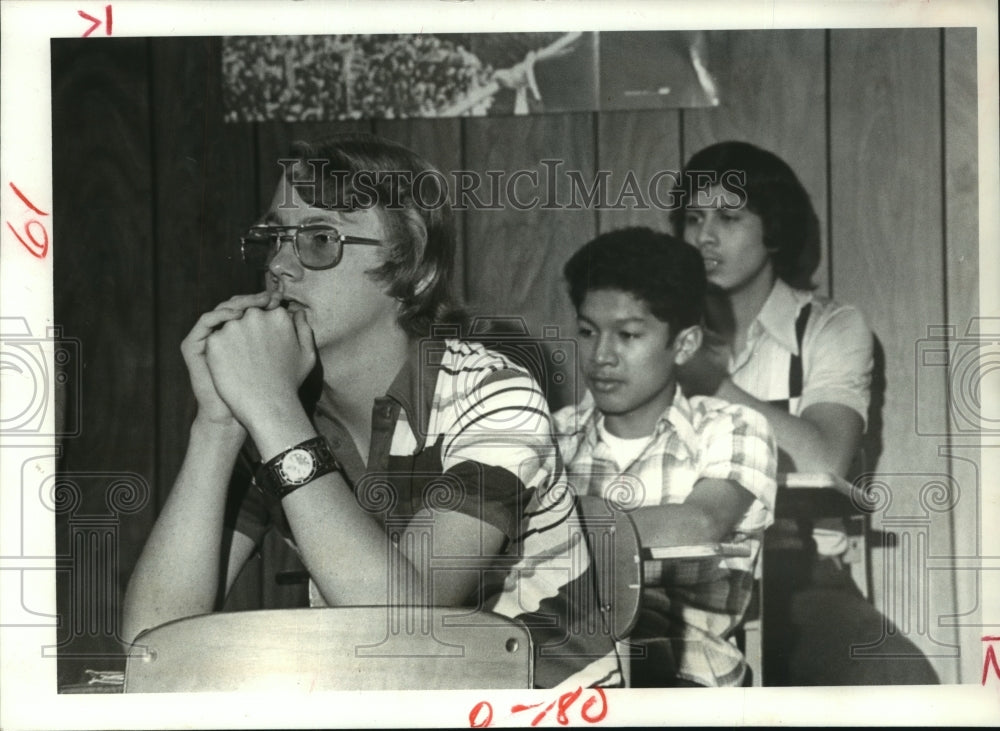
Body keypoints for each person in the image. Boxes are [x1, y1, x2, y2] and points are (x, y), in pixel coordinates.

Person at [122, 133, 621, 689]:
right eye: (274, 237)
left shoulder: (498, 396)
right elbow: (151, 647)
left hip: (537, 706)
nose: (281, 265)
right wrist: (216, 423)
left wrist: (270, 409)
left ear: (414, 271)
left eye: (319, 238)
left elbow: (405, 636)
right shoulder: (282, 410)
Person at [671, 140, 937, 684]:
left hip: (799, 577)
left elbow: (825, 456)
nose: (704, 236)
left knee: (895, 678)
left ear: (775, 230)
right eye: (693, 217)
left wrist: (710, 381)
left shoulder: (830, 327)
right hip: (678, 575)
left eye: (729, 216)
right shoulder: (658, 329)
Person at [553, 227, 778, 687]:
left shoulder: (730, 427)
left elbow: (697, 524)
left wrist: (542, 531)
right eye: (587, 331)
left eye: (629, 335)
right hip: (560, 672)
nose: (601, 356)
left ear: (686, 344)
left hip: (685, 680)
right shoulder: (550, 436)